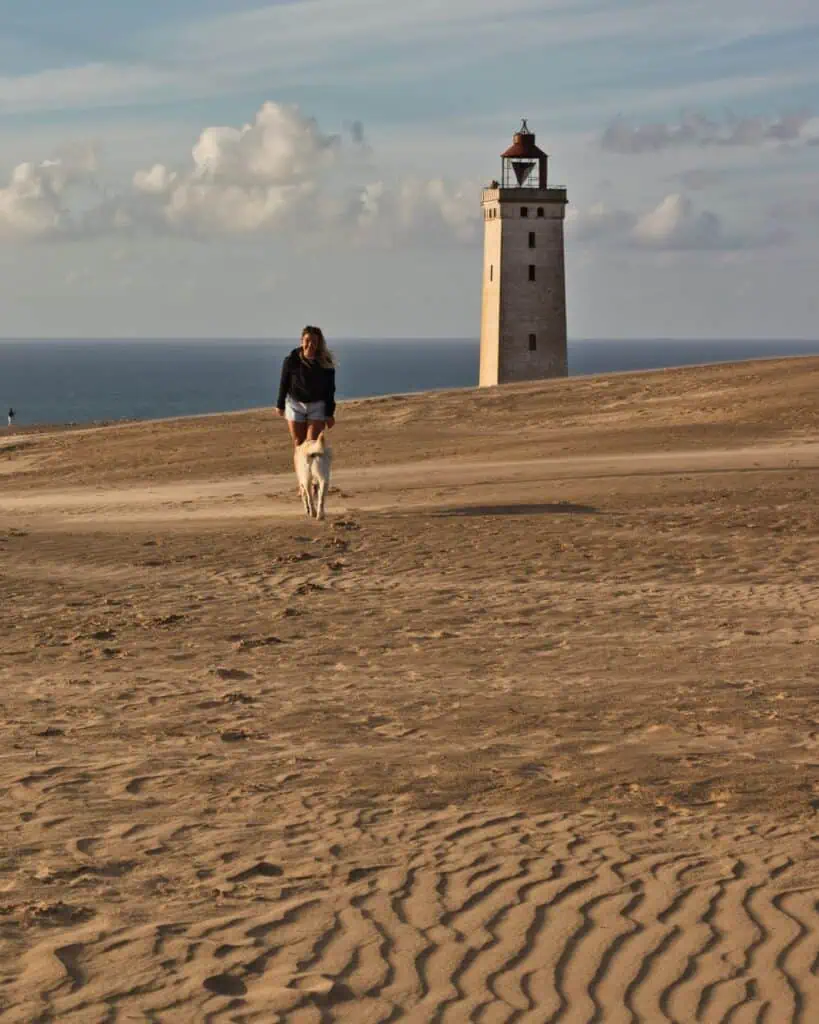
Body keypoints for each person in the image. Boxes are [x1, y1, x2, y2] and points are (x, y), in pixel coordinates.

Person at [276, 326, 336, 446]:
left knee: (312, 444)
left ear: (319, 344)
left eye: (314, 341)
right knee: (299, 443)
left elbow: (330, 390)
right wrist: (280, 405)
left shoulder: (326, 363)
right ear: (301, 341)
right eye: (307, 340)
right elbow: (284, 383)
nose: (310, 344)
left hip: (317, 406)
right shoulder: (291, 360)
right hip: (295, 405)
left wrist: (329, 414)